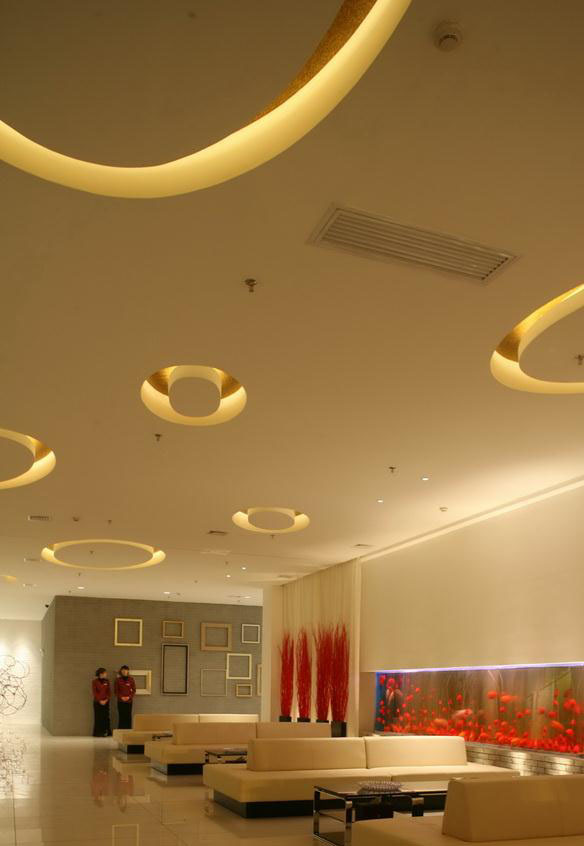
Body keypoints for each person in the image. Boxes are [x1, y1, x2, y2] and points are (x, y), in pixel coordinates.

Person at [114, 665, 136, 730]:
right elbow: (116, 691)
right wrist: (121, 697)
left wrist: (129, 697)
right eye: (123, 670)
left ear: (128, 671)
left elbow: (134, 690)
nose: (124, 671)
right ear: (121, 671)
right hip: (120, 701)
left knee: (128, 716)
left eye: (125, 670)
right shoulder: (117, 680)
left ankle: (128, 730)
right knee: (121, 716)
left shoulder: (131, 679)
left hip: (129, 701)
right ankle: (121, 731)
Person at [92, 668, 111, 737]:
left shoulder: (107, 681)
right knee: (98, 717)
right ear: (101, 674)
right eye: (105, 673)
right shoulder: (95, 681)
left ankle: (106, 732)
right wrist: (100, 700)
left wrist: (106, 700)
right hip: (97, 702)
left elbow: (109, 692)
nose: (106, 674)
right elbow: (94, 692)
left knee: (105, 717)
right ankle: (98, 733)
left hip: (106, 702)